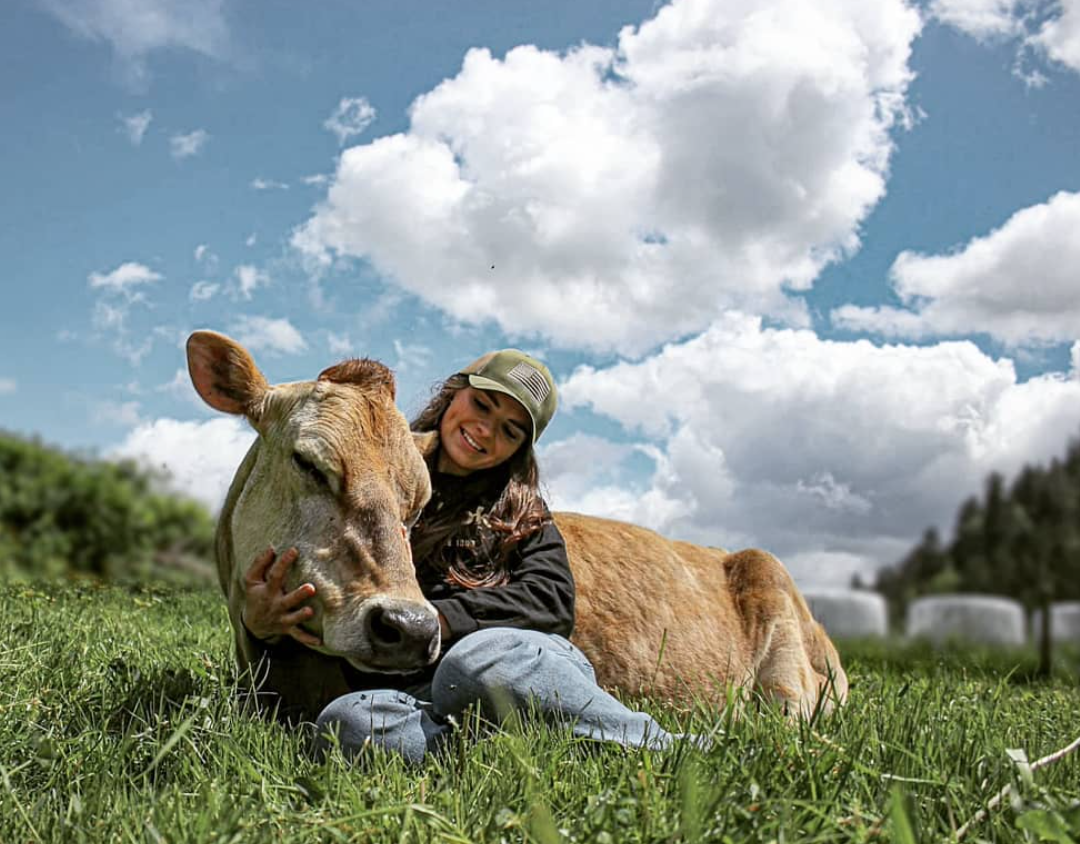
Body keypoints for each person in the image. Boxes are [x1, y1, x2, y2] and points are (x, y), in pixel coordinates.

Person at [242, 349, 695, 764]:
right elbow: (335, 603)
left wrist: (443, 621)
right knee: (349, 722)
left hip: (511, 663)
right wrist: (260, 628)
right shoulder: (380, 481)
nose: (484, 430)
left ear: (520, 449)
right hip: (423, 694)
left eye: (510, 430)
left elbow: (552, 604)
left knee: (474, 661)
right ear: (453, 394)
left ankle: (660, 746)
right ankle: (504, 749)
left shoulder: (521, 513)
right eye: (483, 405)